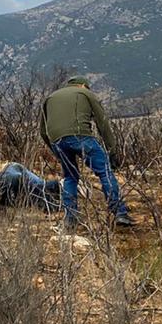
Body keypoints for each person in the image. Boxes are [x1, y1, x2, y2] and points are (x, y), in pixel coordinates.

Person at [40, 76, 133, 230]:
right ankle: (119, 213)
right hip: (81, 136)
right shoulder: (86, 94)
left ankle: (70, 219)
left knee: (70, 177)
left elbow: (43, 131)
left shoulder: (50, 97)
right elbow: (102, 123)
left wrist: (55, 150)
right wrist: (112, 151)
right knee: (104, 172)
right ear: (83, 85)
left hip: (57, 141)